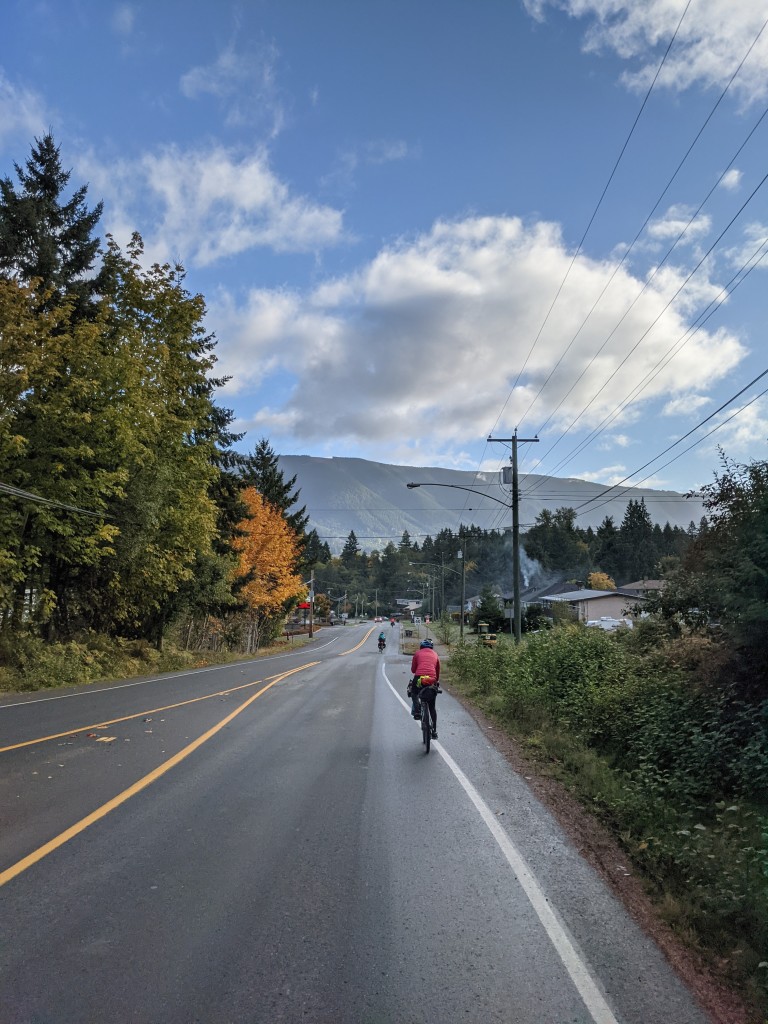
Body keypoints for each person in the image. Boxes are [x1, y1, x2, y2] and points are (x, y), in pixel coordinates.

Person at [409, 638, 440, 738]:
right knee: (432, 706)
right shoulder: (435, 654)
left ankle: (417, 712)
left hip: (419, 678)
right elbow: (438, 670)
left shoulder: (417, 653)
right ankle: (434, 731)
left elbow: (413, 670)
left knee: (414, 692)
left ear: (421, 646)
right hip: (432, 679)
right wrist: (436, 681)